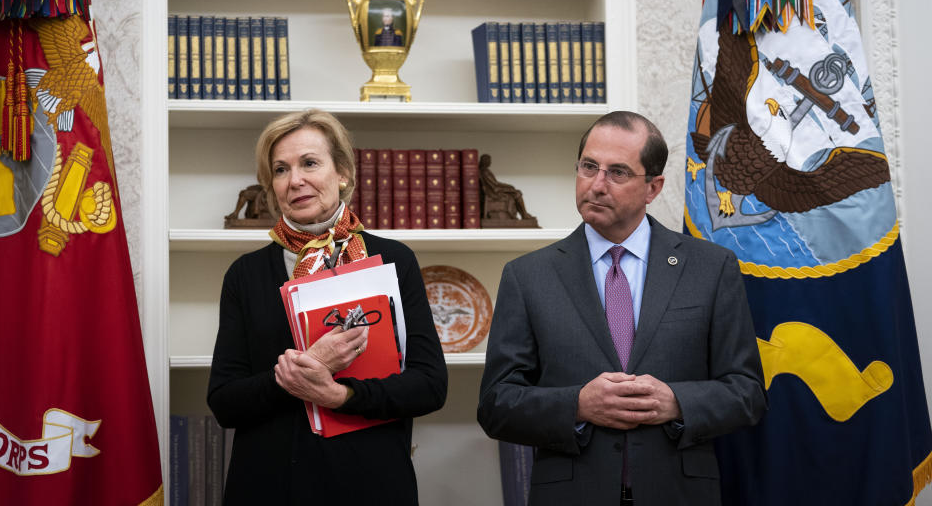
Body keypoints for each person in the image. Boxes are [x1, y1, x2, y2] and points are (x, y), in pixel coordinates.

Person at [477, 111, 766, 505]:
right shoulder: (528, 276)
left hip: (679, 494)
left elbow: (747, 394)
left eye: (617, 172)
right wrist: (578, 405)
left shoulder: (711, 269)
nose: (596, 185)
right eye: (589, 167)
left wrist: (677, 403)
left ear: (653, 187)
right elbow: (496, 405)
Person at [208, 109, 447, 504]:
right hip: (270, 486)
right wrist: (304, 370)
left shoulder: (394, 261)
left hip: (371, 484)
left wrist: (340, 397)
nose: (295, 180)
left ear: (343, 173)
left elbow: (430, 386)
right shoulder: (244, 275)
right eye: (281, 170)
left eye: (310, 163)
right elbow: (224, 403)